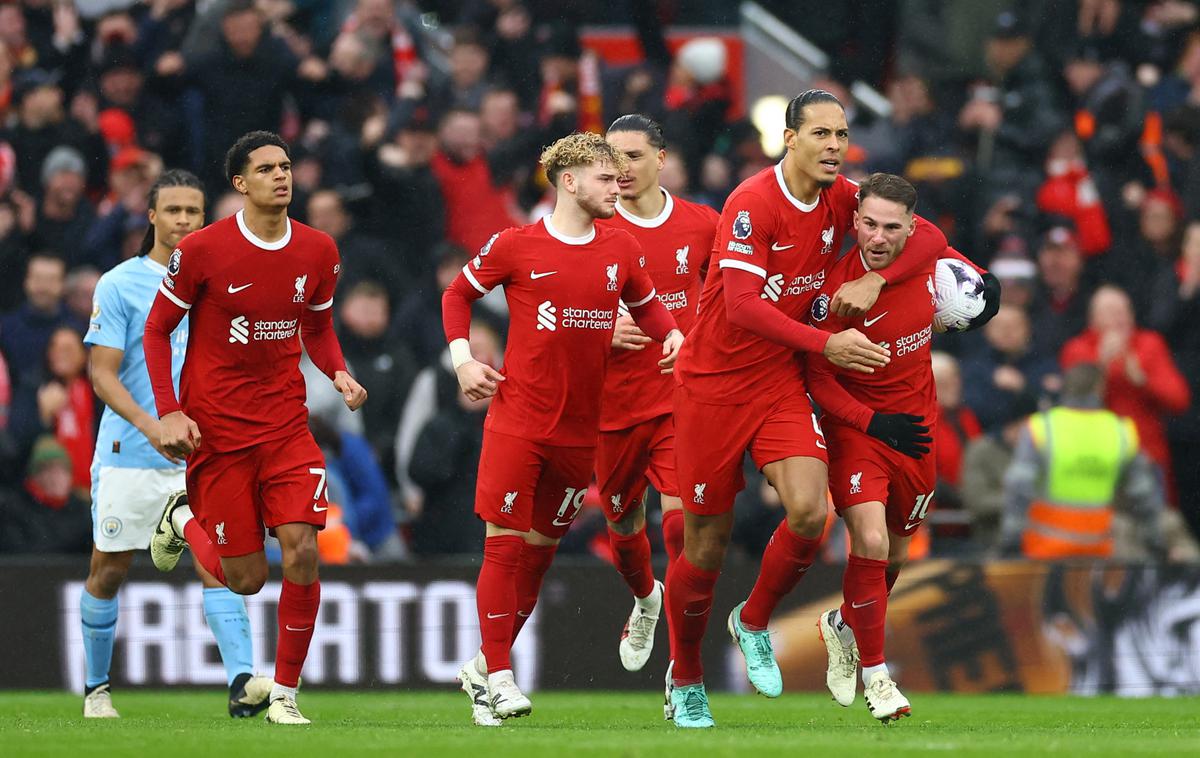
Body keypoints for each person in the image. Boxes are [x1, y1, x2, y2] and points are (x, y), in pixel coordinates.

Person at [663, 90, 943, 729]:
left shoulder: (844, 199)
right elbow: (740, 306)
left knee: (812, 514)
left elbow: (925, 235)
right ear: (789, 139)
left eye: (842, 135)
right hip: (710, 387)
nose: (835, 146)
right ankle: (685, 677)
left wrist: (879, 278)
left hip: (779, 381)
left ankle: (753, 618)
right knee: (704, 546)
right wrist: (826, 341)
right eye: (821, 133)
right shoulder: (752, 204)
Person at [441, 132, 683, 726]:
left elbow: (648, 306)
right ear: (569, 182)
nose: (617, 184)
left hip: (583, 432)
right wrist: (464, 359)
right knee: (503, 545)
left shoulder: (621, 248)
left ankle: (481, 667)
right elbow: (457, 294)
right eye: (604, 177)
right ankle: (500, 675)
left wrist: (672, 333)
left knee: (538, 557)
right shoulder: (516, 245)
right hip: (518, 422)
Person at [143, 132, 367, 726]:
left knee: (302, 549)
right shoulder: (202, 251)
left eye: (286, 166)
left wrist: (339, 374)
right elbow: (157, 330)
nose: (281, 176)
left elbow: (317, 328)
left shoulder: (319, 249)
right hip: (216, 430)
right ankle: (182, 518)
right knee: (244, 580)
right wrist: (169, 410)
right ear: (240, 183)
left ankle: (287, 695)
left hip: (286, 426)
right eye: (266, 169)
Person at [78, 169, 272, 720]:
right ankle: (96, 688)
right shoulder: (120, 283)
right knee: (109, 568)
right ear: (152, 217)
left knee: (222, 564)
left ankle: (241, 684)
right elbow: (102, 374)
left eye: (193, 211)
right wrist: (153, 425)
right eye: (173, 211)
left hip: (207, 456)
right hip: (131, 454)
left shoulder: (225, 280)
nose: (184, 220)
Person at [801, 174, 991, 723]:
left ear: (912, 226)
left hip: (916, 430)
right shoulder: (836, 292)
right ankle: (879, 679)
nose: (878, 237)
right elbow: (819, 379)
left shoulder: (929, 268)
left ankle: (843, 624)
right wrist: (870, 421)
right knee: (871, 536)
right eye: (869, 224)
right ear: (854, 220)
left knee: (898, 554)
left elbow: (958, 264)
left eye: (892, 226)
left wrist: (985, 290)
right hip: (858, 430)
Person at [594, 114, 718, 673]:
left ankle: (682, 664)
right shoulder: (587, 229)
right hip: (612, 403)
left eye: (634, 157)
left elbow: (730, 300)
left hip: (679, 399)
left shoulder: (703, 225)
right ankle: (647, 599)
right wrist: (600, 327)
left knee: (680, 524)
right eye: (611, 158)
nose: (621, 169)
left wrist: (695, 344)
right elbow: (546, 316)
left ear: (662, 158)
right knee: (623, 527)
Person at [999, 363, 1165, 560]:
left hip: (1043, 548)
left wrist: (1010, 540)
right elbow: (1143, 493)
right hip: (1098, 548)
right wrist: (1154, 539)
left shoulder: (1042, 427)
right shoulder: (1121, 431)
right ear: (1099, 388)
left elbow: (1019, 487)